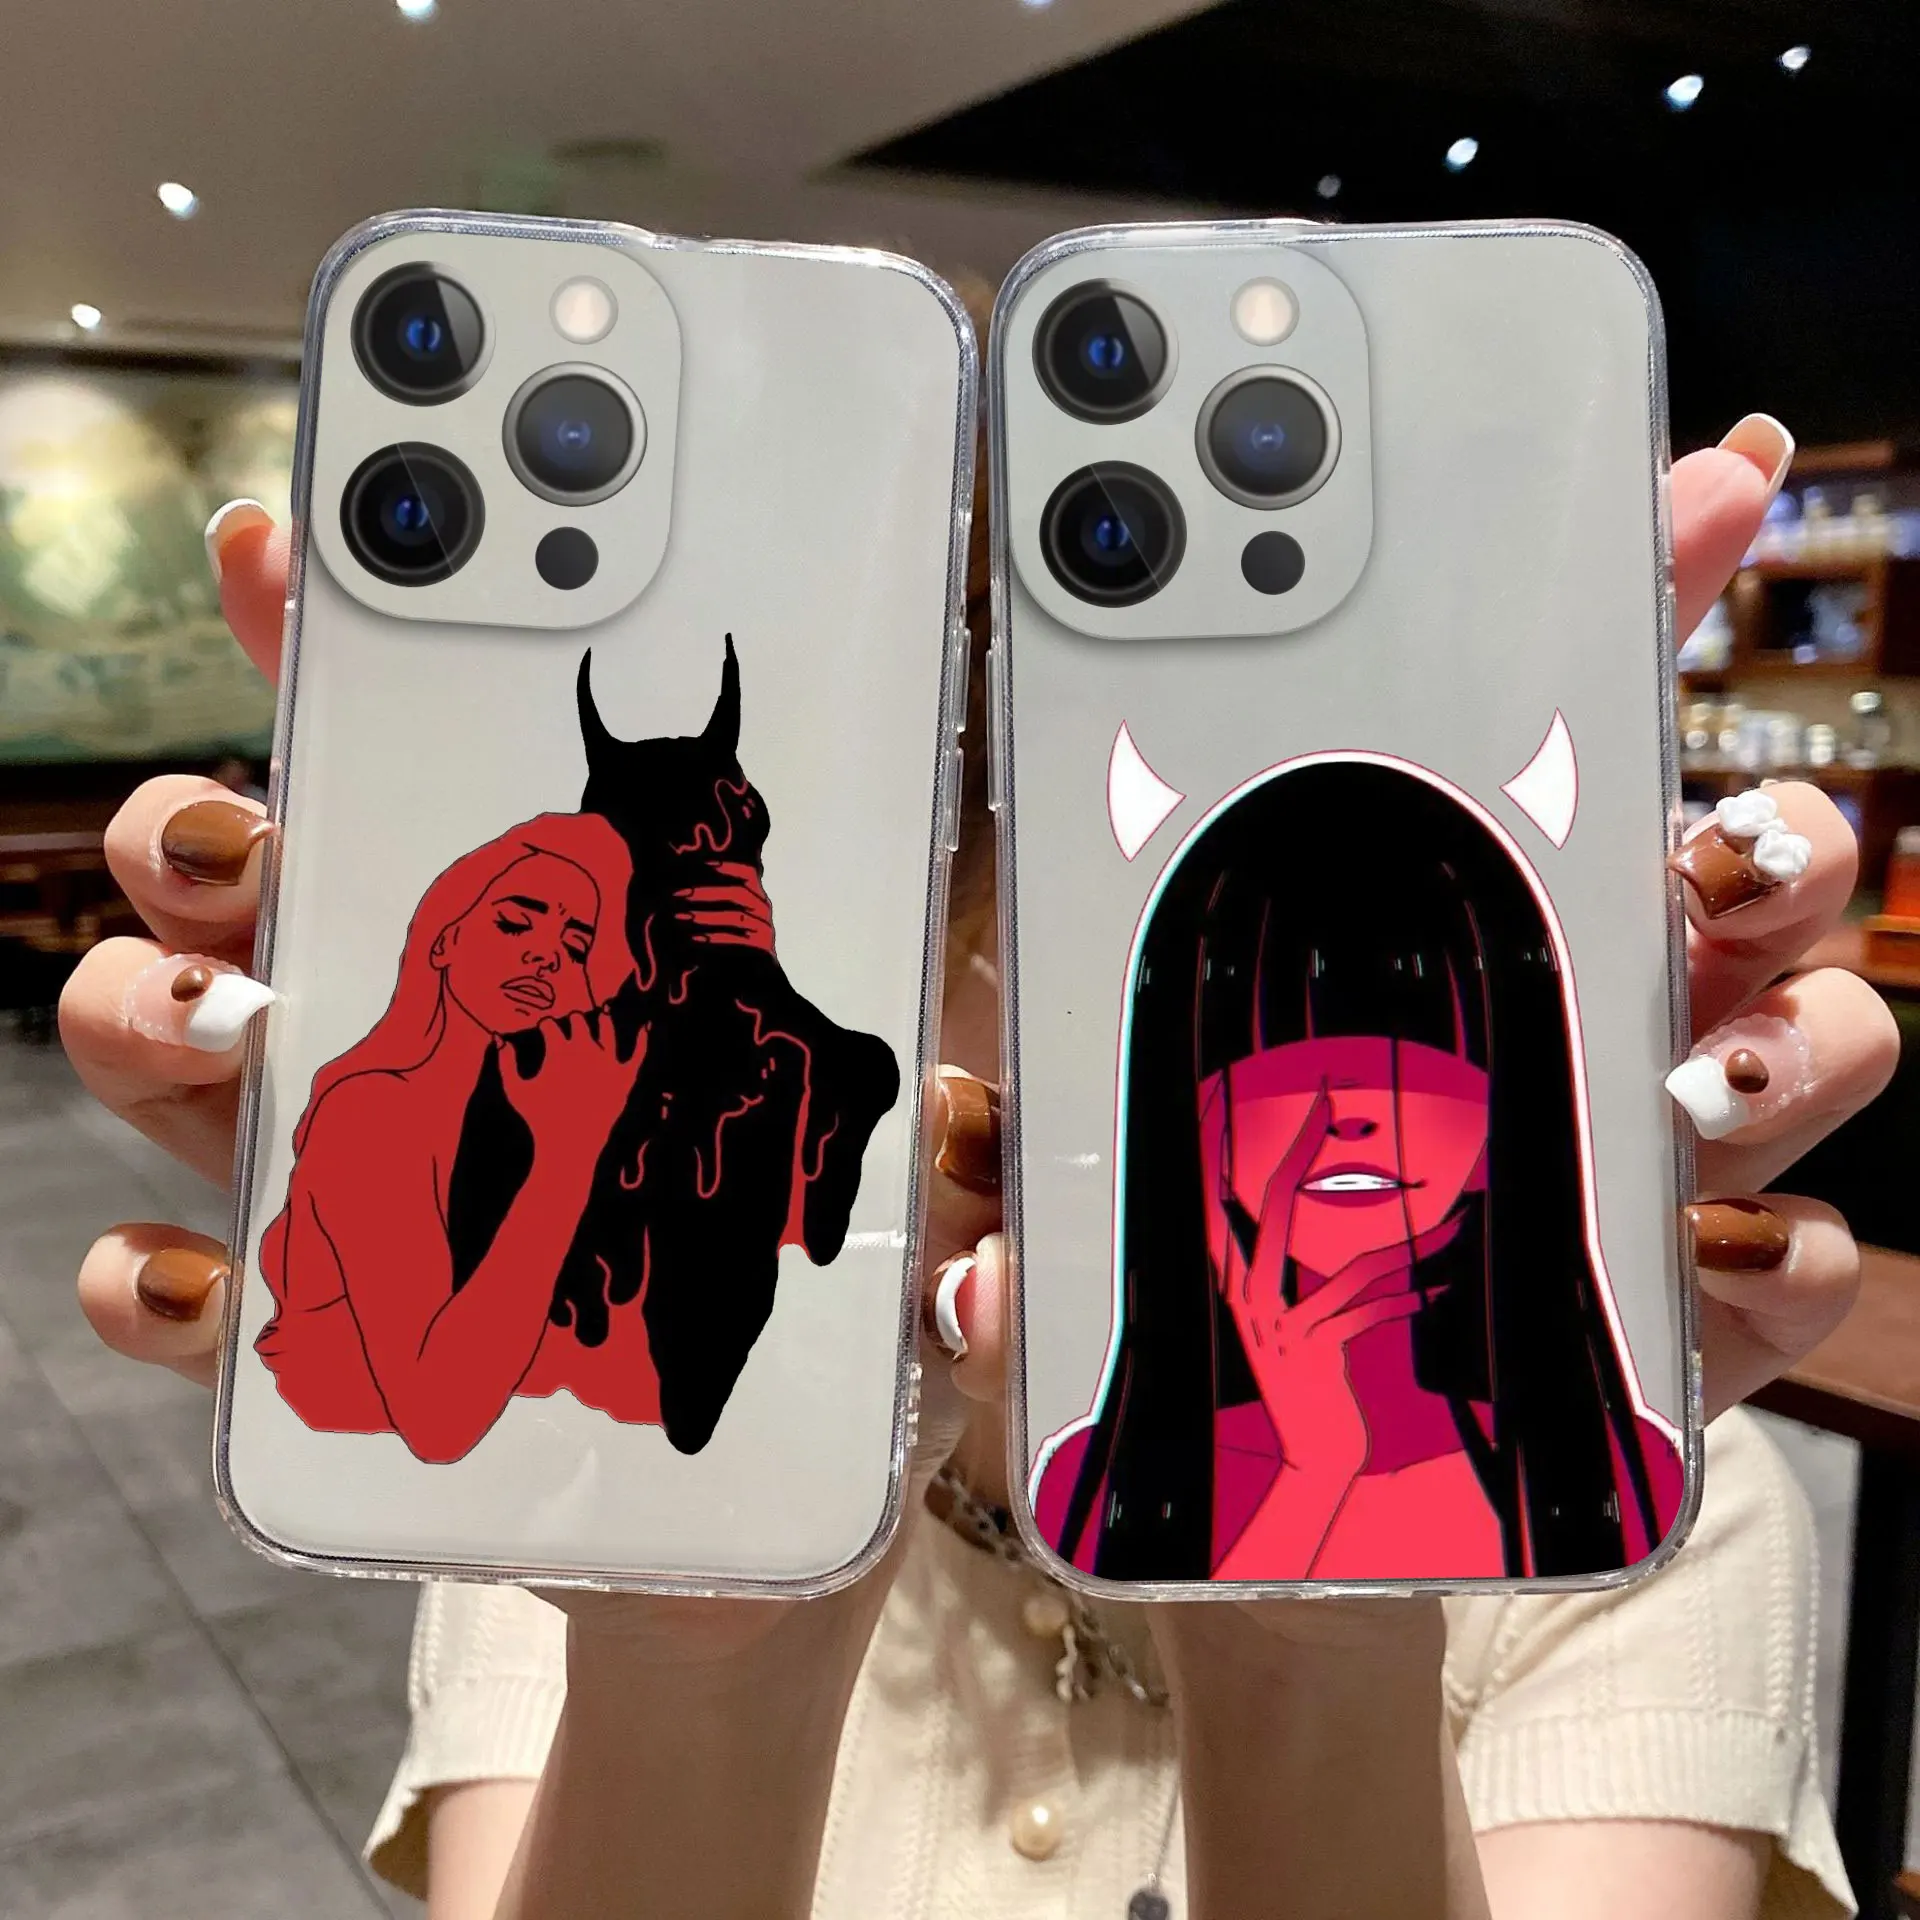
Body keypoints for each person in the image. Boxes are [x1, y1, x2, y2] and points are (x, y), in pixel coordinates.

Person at [59, 392, 1890, 1917]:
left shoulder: (1627, 1497)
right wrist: (697, 1653)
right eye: (973, 903)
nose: (1052, 1065)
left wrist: (1313, 1621)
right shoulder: (591, 1448)